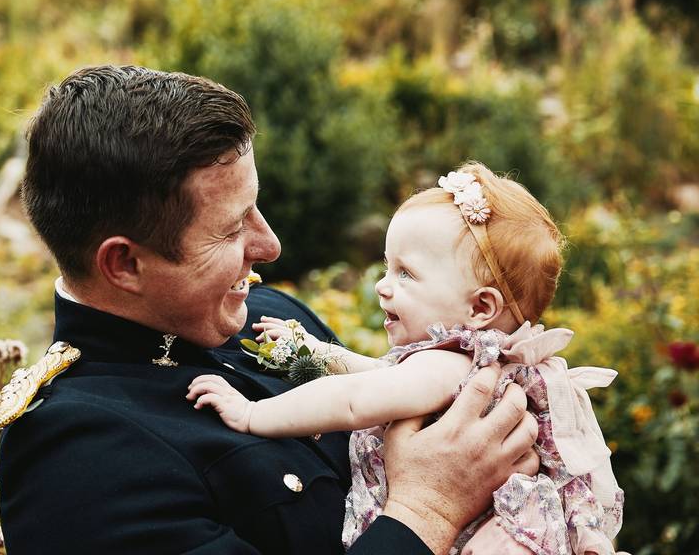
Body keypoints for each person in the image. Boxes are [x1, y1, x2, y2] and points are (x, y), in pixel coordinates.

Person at [0, 65, 539, 554]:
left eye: (256, 206)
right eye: (232, 228)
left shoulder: (270, 314)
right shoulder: (78, 458)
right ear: (125, 265)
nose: (270, 245)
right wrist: (427, 512)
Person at [188, 162, 624, 554]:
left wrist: (252, 413)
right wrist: (319, 353)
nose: (382, 285)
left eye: (406, 273)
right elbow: (383, 374)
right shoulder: (465, 365)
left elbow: (354, 400)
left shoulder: (447, 366)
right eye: (386, 266)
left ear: (479, 309)